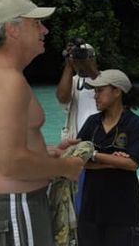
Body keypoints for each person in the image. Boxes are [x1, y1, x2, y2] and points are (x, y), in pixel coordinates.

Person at [0, 0, 84, 246]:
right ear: (13, 29)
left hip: (17, 205)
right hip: (16, 206)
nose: (44, 29)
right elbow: (11, 163)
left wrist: (48, 154)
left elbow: (3, 148)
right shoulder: (7, 83)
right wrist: (66, 168)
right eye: (36, 23)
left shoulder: (5, 77)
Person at [76, 69, 139, 246]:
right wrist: (114, 161)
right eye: (94, 92)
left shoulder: (134, 123)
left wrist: (94, 155)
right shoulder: (92, 122)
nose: (95, 96)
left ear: (116, 92)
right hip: (91, 210)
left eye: (99, 91)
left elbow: (132, 164)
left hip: (123, 212)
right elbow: (78, 160)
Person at [56, 39, 100, 215]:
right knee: (79, 199)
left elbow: (100, 83)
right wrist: (69, 65)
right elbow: (63, 98)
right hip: (77, 149)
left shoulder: (106, 80)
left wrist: (87, 65)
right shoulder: (72, 81)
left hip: (102, 148)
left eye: (88, 56)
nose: (83, 59)